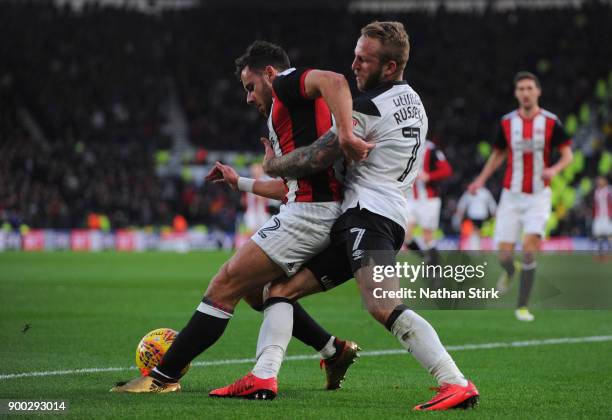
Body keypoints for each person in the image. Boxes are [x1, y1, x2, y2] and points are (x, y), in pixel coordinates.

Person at [211, 21, 479, 411]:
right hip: (382, 215)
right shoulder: (414, 101)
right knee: (281, 292)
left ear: (389, 68)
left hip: (367, 217)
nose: (354, 64)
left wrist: (273, 165)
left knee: (381, 304)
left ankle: (453, 381)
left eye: (364, 59)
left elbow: (316, 157)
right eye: (355, 55)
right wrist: (246, 184)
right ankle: (263, 375)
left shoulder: (368, 109)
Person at [111, 41, 372, 394]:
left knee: (224, 284)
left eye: (250, 87)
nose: (248, 98)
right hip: (309, 207)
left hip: (311, 214)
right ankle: (333, 349)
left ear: (269, 73)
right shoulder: (294, 118)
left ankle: (162, 378)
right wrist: (241, 182)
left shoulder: (284, 84)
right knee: (255, 290)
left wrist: (344, 133)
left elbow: (336, 81)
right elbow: (291, 187)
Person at [468, 71, 573, 322]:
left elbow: (568, 155)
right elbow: (498, 155)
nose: (525, 93)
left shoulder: (550, 122)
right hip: (511, 196)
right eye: (521, 89)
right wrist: (481, 179)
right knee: (503, 255)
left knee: (528, 250)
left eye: (529, 88)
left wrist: (554, 169)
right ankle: (509, 270)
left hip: (538, 196)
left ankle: (522, 307)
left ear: (538, 91)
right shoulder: (507, 123)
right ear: (516, 93)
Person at [404, 139, 453, 267]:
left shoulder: (431, 149)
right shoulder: (405, 145)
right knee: (405, 235)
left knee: (427, 237)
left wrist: (429, 176)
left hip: (429, 200)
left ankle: (435, 269)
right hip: (412, 199)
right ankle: (426, 258)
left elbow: (447, 170)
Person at [592, 176, 611, 257]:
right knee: (598, 233)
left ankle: (610, 249)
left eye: (601, 180)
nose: (599, 182)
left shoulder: (609, 190)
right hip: (598, 216)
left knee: (610, 233)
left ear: (605, 181)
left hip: (608, 216)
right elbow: (595, 205)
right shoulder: (597, 191)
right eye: (598, 180)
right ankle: (600, 250)